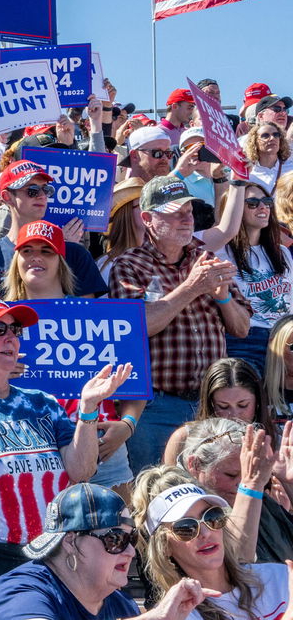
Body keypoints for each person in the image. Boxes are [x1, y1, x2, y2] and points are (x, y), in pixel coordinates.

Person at [0, 294, 130, 620]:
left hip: (42, 559)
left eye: (15, 330)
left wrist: (88, 409)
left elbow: (81, 471)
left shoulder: (42, 401)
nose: (11, 337)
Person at [109, 175, 252, 473]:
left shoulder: (206, 258)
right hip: (158, 406)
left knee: (211, 492)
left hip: (210, 404)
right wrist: (192, 287)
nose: (186, 218)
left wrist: (224, 299)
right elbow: (137, 328)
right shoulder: (130, 264)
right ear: (147, 218)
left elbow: (241, 329)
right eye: (175, 212)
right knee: (153, 488)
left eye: (189, 210)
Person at [0, 221, 142, 497]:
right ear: (16, 259)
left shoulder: (97, 314)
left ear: (61, 261)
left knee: (117, 538)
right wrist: (0, 375)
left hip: (102, 446)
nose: (36, 258)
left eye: (47, 251)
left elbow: (135, 380)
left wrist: (127, 425)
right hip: (29, 452)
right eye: (27, 250)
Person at [0, 482, 218, 620]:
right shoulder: (21, 591)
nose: (131, 551)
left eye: (131, 538)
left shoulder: (120, 605)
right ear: (70, 541)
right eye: (115, 539)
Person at [132, 467, 291, 620]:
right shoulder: (180, 614)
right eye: (186, 528)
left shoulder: (278, 577)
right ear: (164, 546)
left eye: (211, 517)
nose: (206, 533)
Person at [0, 159, 107, 304]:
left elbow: (88, 317)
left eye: (46, 189)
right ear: (7, 197)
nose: (42, 196)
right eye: (32, 190)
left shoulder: (75, 254)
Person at [176, 417, 293, 565]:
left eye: (247, 473)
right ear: (196, 465)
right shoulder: (182, 508)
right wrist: (251, 487)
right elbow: (240, 561)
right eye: (231, 475)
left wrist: (289, 484)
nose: (241, 483)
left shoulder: (256, 492)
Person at [216, 183, 293, 377]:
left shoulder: (282, 252)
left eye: (267, 202)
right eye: (252, 203)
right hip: (247, 338)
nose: (263, 207)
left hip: (286, 336)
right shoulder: (220, 252)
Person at [163, 358, 279, 464]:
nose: (234, 415)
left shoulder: (273, 438)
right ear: (210, 404)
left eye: (243, 405)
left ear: (257, 403)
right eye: (223, 406)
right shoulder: (184, 439)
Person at [243, 122, 290, 194]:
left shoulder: (290, 169)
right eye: (265, 136)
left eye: (276, 135)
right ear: (255, 141)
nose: (272, 138)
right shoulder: (248, 172)